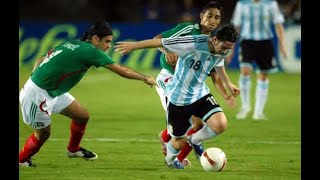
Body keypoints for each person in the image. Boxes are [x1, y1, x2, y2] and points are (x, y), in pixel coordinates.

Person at [19, 20, 157, 167]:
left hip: (52, 91)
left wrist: (36, 75)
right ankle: (21, 160)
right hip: (38, 95)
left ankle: (73, 150)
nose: (109, 46)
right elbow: (121, 70)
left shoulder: (71, 44)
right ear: (95, 39)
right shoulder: (91, 51)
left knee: (81, 115)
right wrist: (145, 78)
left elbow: (41, 59)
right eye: (107, 41)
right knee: (43, 134)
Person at [115, 24, 240, 169]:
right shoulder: (192, 43)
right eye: (224, 47)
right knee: (179, 143)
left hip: (200, 94)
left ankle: (195, 140)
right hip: (179, 100)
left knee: (220, 124)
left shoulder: (223, 50)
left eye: (229, 48)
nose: (225, 51)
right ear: (214, 39)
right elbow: (160, 42)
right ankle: (169, 160)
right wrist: (134, 46)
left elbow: (218, 63)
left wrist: (228, 84)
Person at [153, 0, 235, 166]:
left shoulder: (214, 42)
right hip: (169, 79)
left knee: (199, 125)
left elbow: (215, 73)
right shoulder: (189, 29)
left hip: (191, 87)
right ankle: (172, 152)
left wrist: (226, 92)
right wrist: (168, 51)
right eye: (209, 15)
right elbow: (158, 39)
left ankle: (177, 155)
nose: (212, 20)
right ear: (201, 16)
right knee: (191, 124)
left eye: (217, 17)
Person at [231, 0, 288, 120]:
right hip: (247, 42)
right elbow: (236, 26)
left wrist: (282, 45)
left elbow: (278, 24)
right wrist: (231, 48)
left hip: (265, 42)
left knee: (263, 75)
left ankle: (258, 111)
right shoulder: (242, 4)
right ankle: (245, 106)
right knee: (245, 71)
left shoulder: (271, 4)